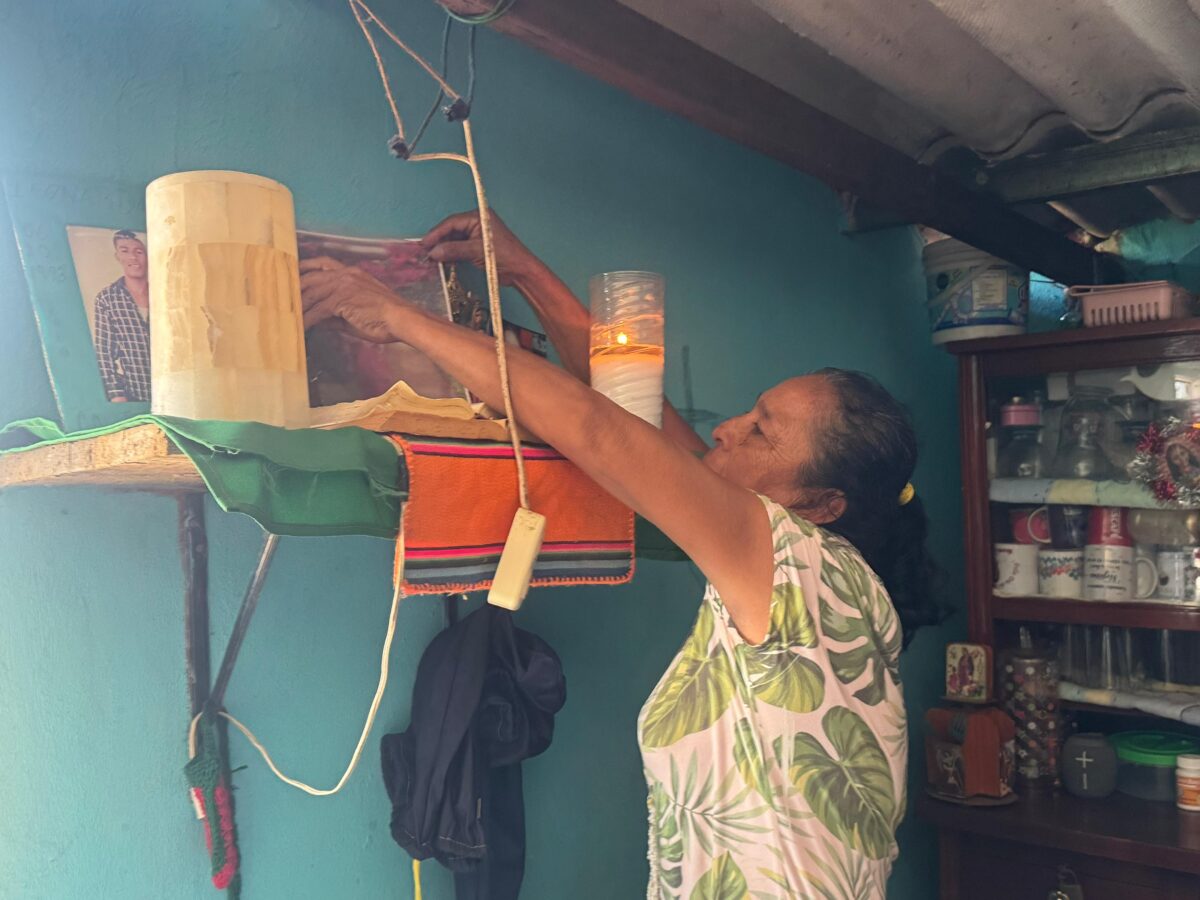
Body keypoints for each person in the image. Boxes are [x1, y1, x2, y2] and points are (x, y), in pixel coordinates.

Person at [299, 210, 940, 898]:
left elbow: (602, 433)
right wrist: (525, 272)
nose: (727, 428)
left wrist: (400, 316)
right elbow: (641, 429)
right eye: (750, 413)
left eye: (761, 431)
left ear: (824, 504)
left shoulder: (802, 565)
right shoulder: (826, 585)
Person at [93, 229, 151, 402]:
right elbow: (104, 354)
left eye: (139, 252)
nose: (133, 257)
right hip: (134, 398)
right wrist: (117, 394)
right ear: (118, 256)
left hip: (173, 399)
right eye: (125, 251)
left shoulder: (166, 294)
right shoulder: (107, 299)